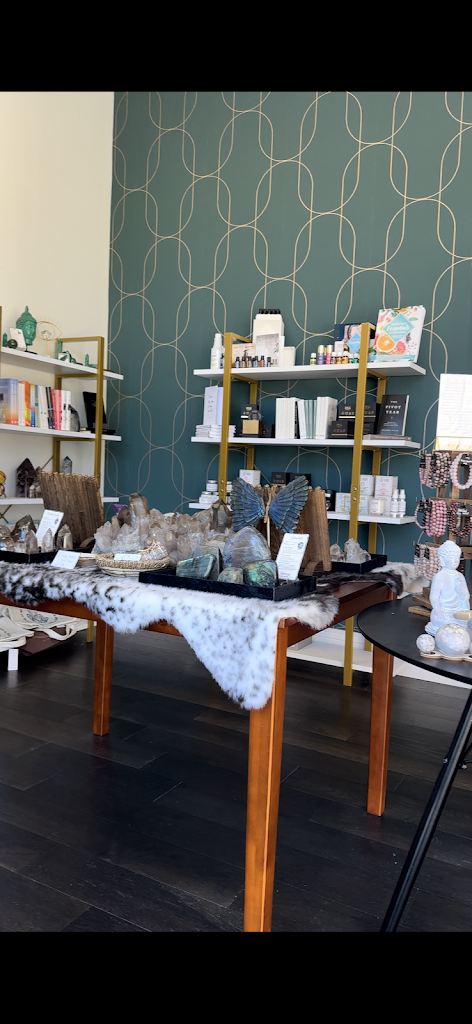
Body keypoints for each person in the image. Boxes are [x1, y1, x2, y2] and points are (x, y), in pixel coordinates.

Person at [425, 540, 470, 635]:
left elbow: (466, 596)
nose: (455, 561)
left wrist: (460, 590)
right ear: (442, 559)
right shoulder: (439, 577)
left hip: (458, 610)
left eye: (457, 557)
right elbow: (434, 597)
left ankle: (455, 628)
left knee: (467, 620)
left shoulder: (460, 576)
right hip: (444, 611)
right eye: (451, 558)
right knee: (442, 620)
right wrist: (438, 610)